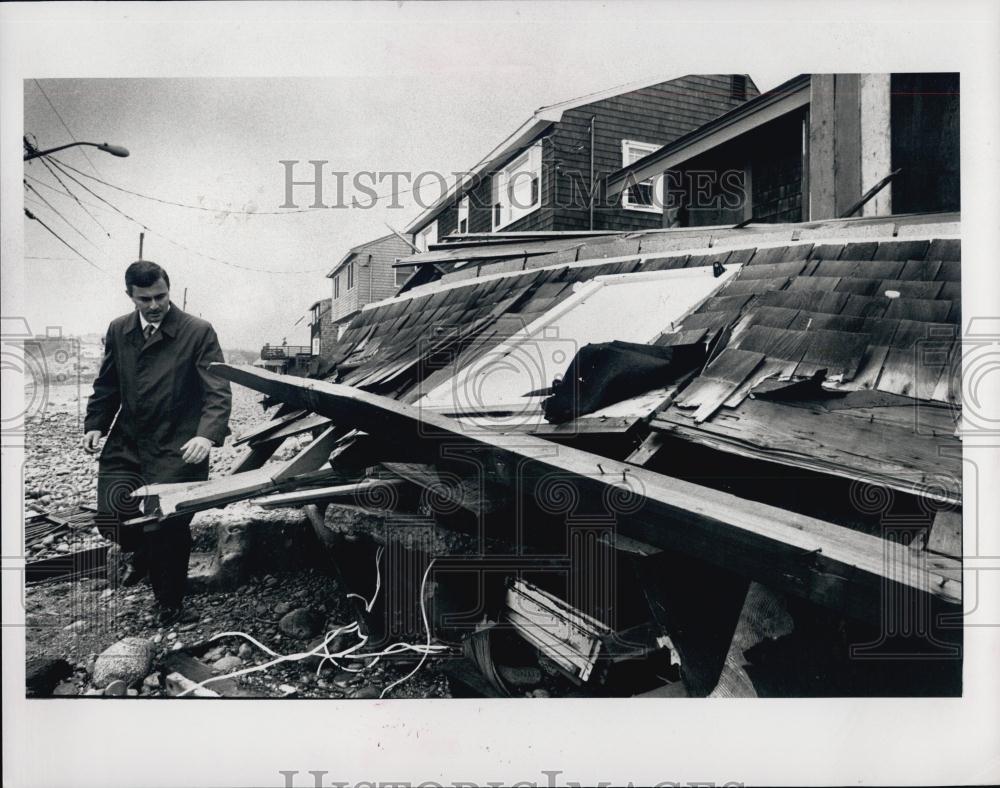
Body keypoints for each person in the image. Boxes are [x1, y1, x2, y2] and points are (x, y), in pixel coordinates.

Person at [82, 260, 231, 626]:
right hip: (127, 441)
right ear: (130, 296)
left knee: (168, 528)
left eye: (160, 296)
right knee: (110, 517)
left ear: (168, 289)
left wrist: (206, 434)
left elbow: (217, 390)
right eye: (145, 298)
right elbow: (108, 383)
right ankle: (145, 555)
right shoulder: (119, 330)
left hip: (178, 446)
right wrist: (96, 423)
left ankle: (170, 604)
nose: (154, 305)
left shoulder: (198, 331)